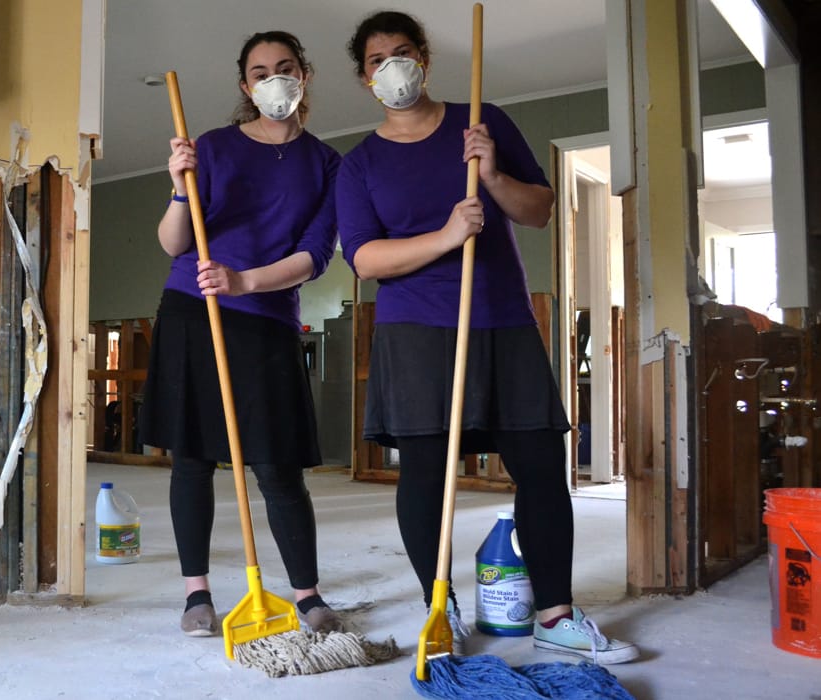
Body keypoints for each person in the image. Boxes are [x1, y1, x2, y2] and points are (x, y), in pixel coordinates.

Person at [335, 10, 638, 664]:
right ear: (365, 78)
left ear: (425, 59)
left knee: (538, 465)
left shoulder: (483, 120)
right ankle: (437, 607)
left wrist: (493, 174)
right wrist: (447, 235)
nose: (394, 66)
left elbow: (540, 209)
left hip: (500, 315)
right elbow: (363, 259)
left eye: (404, 51)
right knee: (423, 471)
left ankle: (555, 612)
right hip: (414, 328)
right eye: (378, 58)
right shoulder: (359, 163)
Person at [139, 30, 343, 637]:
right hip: (192, 309)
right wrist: (180, 187)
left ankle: (307, 595)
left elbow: (315, 255)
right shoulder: (210, 147)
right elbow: (174, 243)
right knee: (193, 457)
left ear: (304, 74)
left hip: (266, 318)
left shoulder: (328, 164)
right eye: (259, 71)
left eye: (284, 67)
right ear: (244, 85)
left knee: (278, 464)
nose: (272, 79)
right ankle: (195, 594)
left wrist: (244, 281)